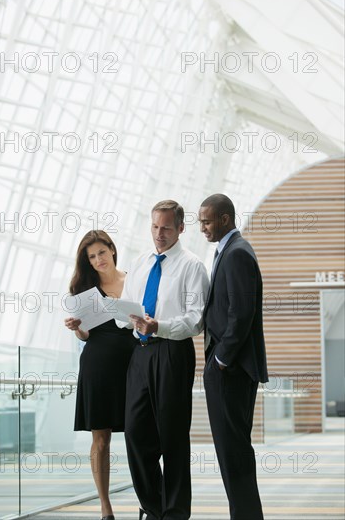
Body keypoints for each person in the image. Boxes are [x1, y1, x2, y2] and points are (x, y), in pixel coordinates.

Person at [117, 200, 209, 520]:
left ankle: (174, 513)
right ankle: (153, 506)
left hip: (172, 352)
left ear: (181, 228)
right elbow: (125, 311)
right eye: (155, 227)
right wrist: (121, 315)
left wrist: (160, 325)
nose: (159, 233)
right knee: (135, 434)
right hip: (140, 353)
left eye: (167, 227)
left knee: (172, 437)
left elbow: (195, 321)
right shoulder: (141, 262)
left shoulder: (192, 266)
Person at [198, 194, 268, 520]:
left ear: (225, 219)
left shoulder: (237, 253)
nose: (202, 228)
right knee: (231, 453)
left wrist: (220, 360)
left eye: (206, 221)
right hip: (228, 368)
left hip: (231, 369)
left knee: (234, 453)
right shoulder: (230, 250)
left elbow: (241, 313)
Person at [64, 230, 136, 520]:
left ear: (112, 250)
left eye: (101, 253)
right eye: (91, 257)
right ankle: (106, 508)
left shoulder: (134, 280)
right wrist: (77, 328)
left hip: (135, 364)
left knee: (139, 434)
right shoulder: (85, 291)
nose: (98, 260)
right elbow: (86, 336)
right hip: (98, 366)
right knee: (101, 439)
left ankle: (149, 498)